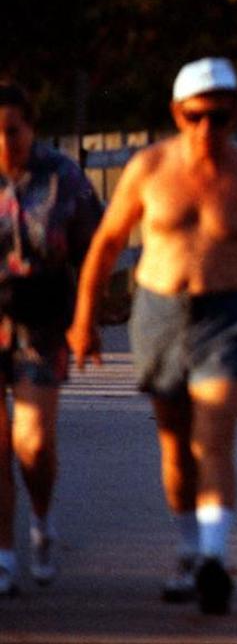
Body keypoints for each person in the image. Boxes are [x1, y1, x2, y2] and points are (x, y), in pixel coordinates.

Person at [66, 58, 237, 614]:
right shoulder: (149, 169)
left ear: (235, 112)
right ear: (178, 113)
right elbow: (105, 244)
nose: (208, 127)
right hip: (158, 314)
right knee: (174, 444)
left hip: (225, 317)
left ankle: (215, 560)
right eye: (197, 116)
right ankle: (190, 552)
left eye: (220, 116)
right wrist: (83, 320)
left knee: (213, 436)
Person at [0, 83, 103, 596]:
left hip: (41, 322)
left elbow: (98, 248)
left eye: (11, 133)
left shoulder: (62, 177)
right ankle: (3, 554)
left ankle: (40, 522)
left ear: (31, 128)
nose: (3, 144)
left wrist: (86, 317)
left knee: (32, 443)